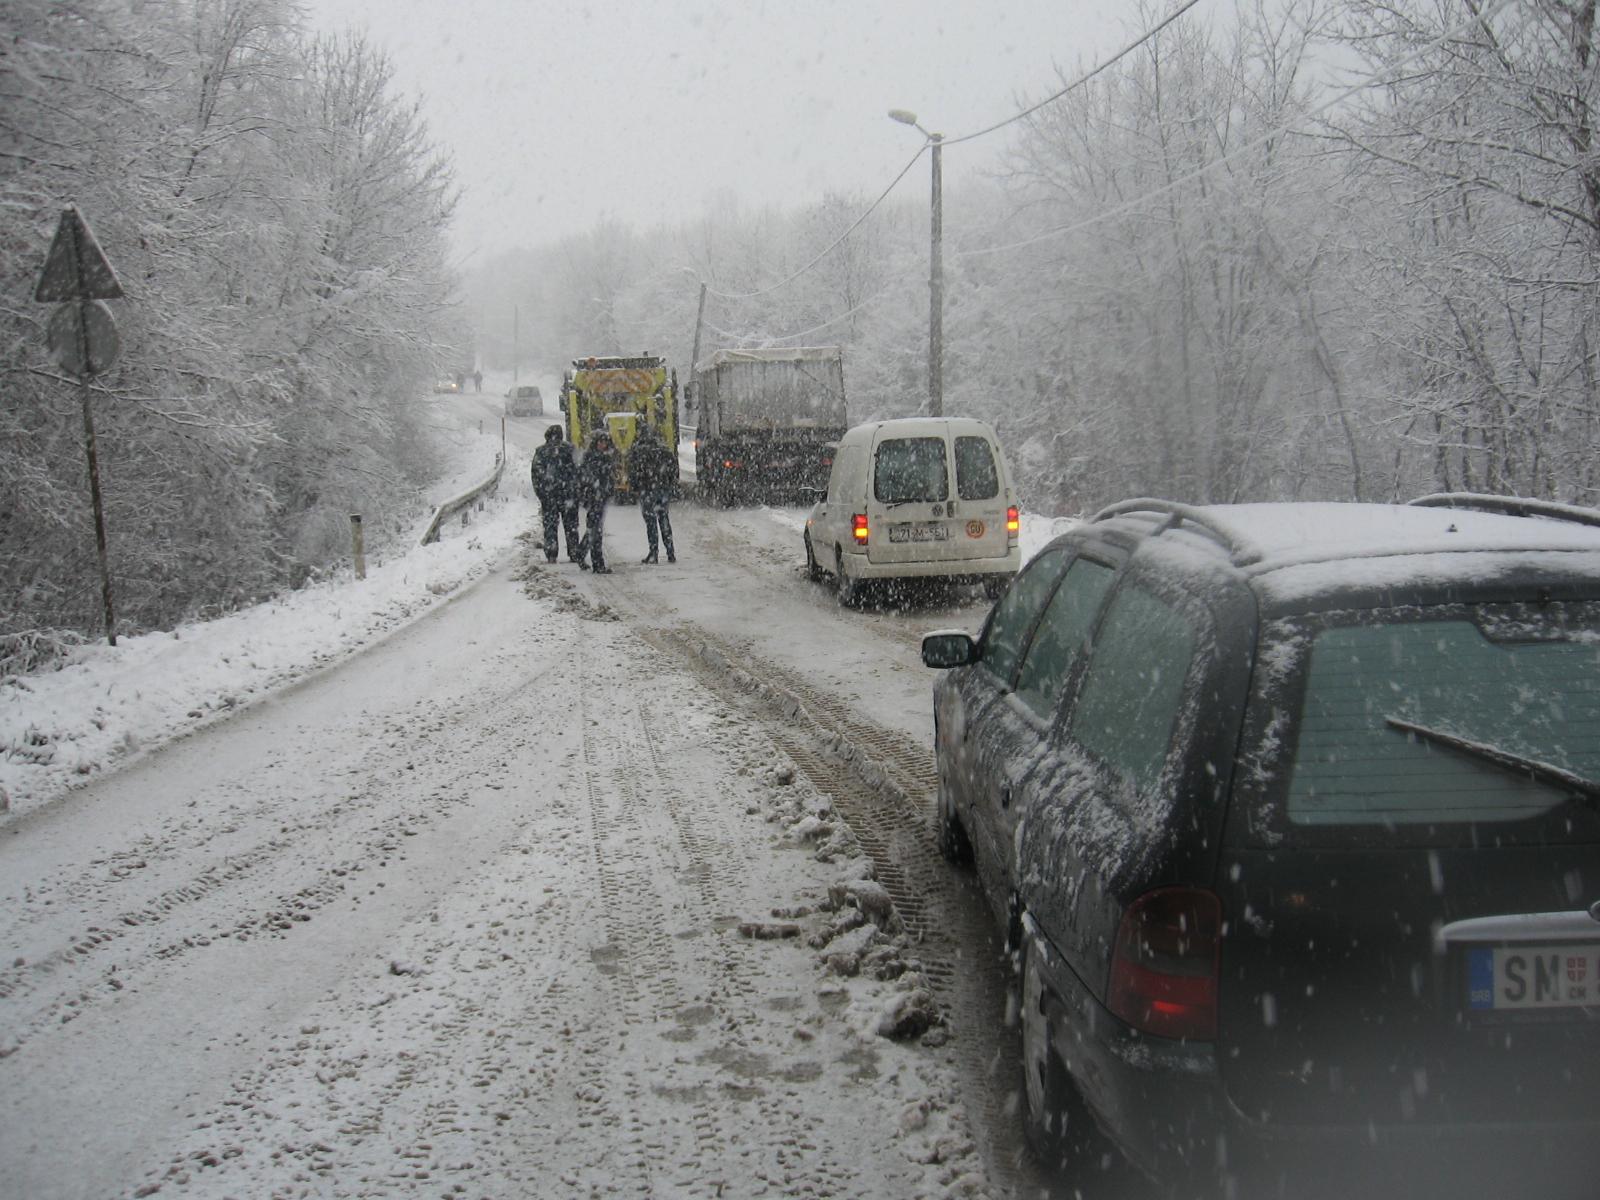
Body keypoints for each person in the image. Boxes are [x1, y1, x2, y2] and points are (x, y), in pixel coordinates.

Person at [627, 424, 677, 564]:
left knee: (651, 522)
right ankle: (670, 552)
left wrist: (635, 488)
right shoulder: (664, 450)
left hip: (647, 490)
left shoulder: (638, 451)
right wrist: (669, 483)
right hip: (662, 489)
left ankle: (654, 552)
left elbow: (633, 472)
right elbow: (673, 469)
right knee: (664, 519)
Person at [531, 425, 579, 563]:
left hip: (549, 496)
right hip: (568, 495)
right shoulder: (569, 450)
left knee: (550, 525)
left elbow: (536, 475)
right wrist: (575, 491)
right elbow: (578, 471)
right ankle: (574, 551)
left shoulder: (541, 452)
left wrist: (541, 494)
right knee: (571, 525)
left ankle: (551, 553)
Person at [575, 430, 617, 574]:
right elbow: (585, 479)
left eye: (605, 442)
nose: (603, 445)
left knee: (594, 530)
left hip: (599, 498)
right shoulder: (592, 458)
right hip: (594, 498)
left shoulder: (603, 458)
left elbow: (608, 477)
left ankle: (580, 553)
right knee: (596, 531)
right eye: (601, 442)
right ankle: (597, 564)